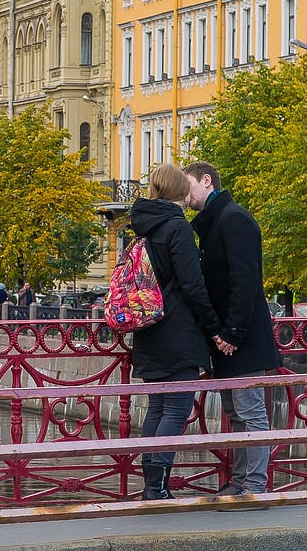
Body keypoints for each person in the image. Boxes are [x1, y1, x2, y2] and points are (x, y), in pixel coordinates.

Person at [183, 161, 282, 497]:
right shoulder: (217, 221)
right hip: (227, 338)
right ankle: (241, 483)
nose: (186, 194)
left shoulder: (233, 218)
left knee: (251, 415)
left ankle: (254, 487)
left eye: (189, 185)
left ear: (207, 180)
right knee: (237, 415)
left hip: (241, 339)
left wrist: (232, 333)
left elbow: (246, 281)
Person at [129, 164, 222, 500]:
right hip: (177, 332)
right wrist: (213, 327)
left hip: (148, 331)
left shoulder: (142, 226)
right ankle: (158, 486)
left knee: (157, 408)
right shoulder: (176, 227)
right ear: (181, 191)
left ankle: (151, 486)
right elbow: (192, 284)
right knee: (176, 410)